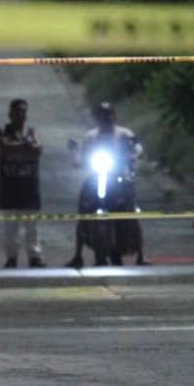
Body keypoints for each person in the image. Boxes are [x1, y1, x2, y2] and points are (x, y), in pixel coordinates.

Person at [65, 101, 147, 267]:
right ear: (98, 117)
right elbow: (82, 154)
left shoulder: (124, 134)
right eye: (102, 114)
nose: (106, 118)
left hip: (120, 177)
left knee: (132, 210)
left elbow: (137, 147)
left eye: (109, 114)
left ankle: (141, 255)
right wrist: (78, 160)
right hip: (97, 177)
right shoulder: (91, 136)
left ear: (114, 115)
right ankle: (77, 254)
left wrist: (135, 155)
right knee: (83, 208)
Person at [0, 98, 46, 268]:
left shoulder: (32, 132)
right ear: (10, 113)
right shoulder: (3, 130)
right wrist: (24, 146)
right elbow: (4, 147)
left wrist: (20, 147)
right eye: (16, 111)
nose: (20, 115)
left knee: (32, 227)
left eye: (23, 111)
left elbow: (38, 149)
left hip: (29, 188)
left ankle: (35, 256)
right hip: (10, 188)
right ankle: (11, 257)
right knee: (11, 228)